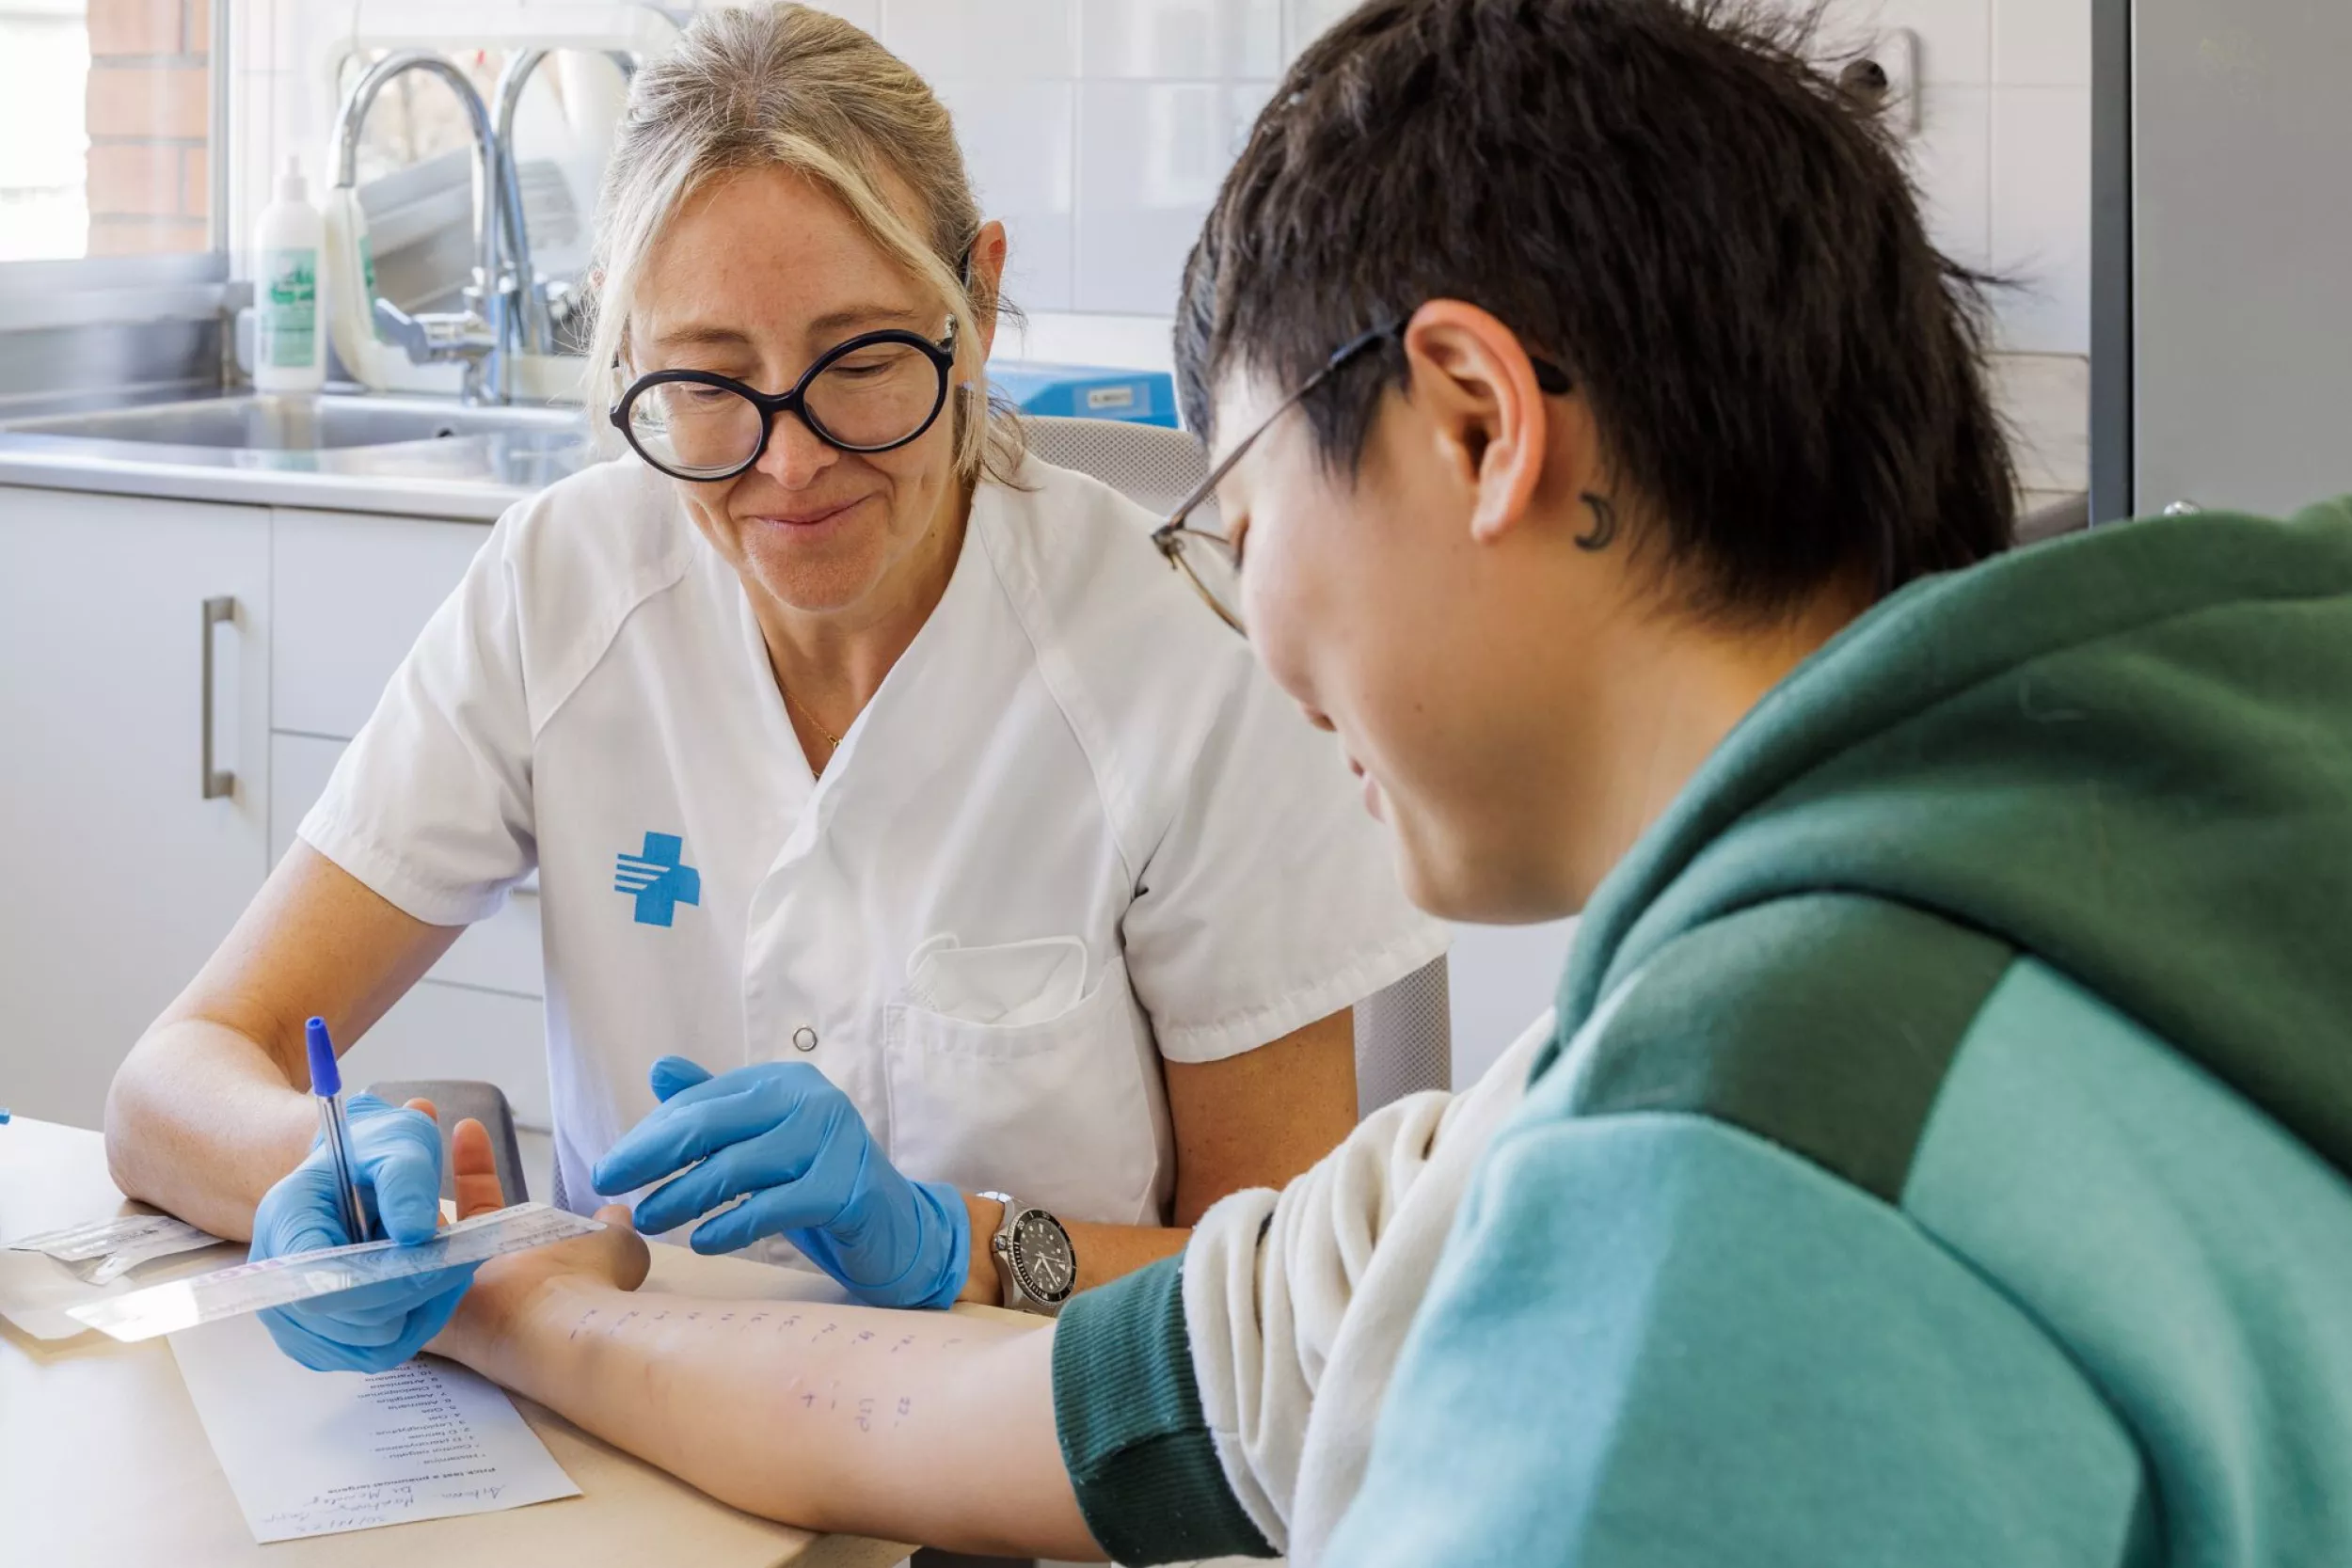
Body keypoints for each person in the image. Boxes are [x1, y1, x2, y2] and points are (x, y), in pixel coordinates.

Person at [412, 0, 2352, 1561]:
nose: (1251, 630)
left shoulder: (1735, 1161)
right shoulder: (2103, 827)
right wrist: (505, 1299)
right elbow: (1067, 1398)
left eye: (1244, 515)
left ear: (1474, 422)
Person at [103, 1, 1442, 1375]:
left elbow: (1287, 1298)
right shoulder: (561, 587)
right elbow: (173, 1080)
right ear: (627, 362)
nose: (788, 463)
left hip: (1027, 1472)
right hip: (645, 1441)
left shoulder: (1179, 661)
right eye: (707, 380)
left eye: (861, 362)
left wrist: (956, 1240)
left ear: (975, 304)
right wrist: (309, 1167)